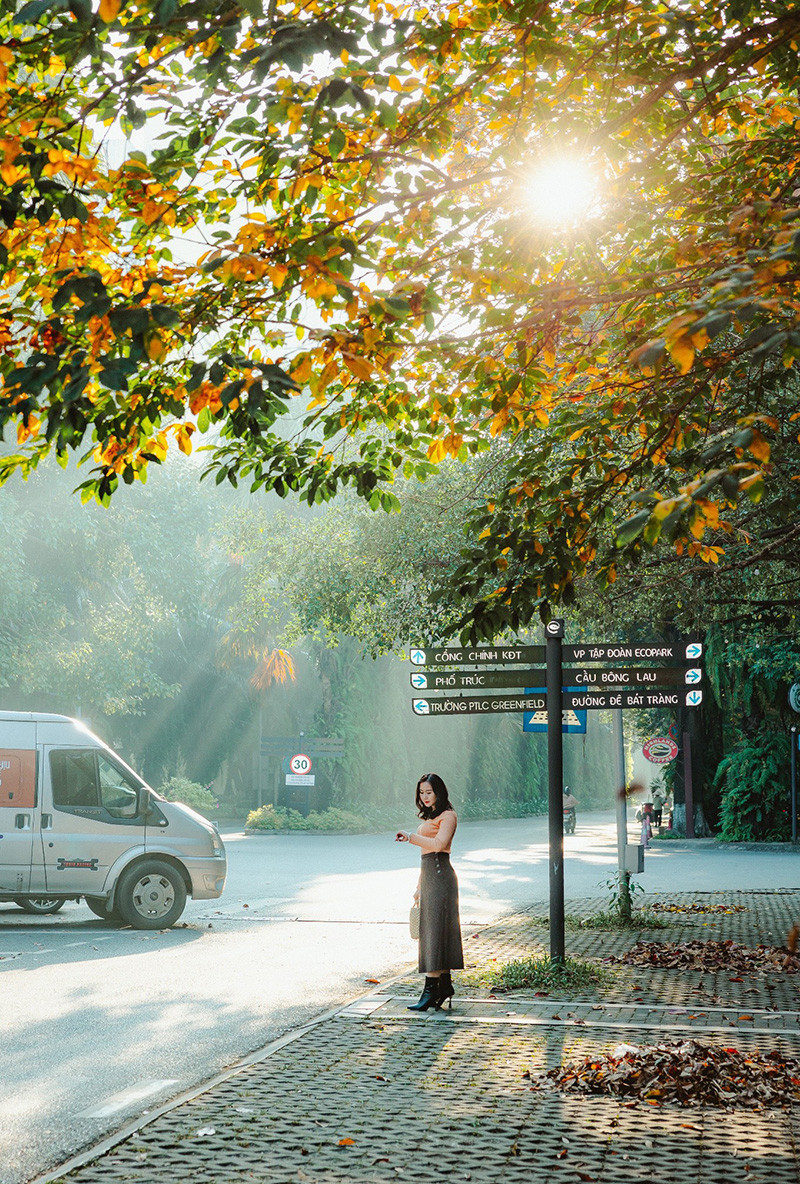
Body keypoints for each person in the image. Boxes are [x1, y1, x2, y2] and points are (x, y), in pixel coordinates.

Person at [395, 772, 464, 1011]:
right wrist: (418, 886)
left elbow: (438, 846)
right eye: (421, 793)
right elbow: (425, 857)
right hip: (430, 876)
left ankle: (430, 990)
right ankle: (444, 986)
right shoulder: (431, 817)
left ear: (439, 793)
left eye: (429, 792)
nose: (425, 797)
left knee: (434, 934)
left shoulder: (448, 816)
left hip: (441, 876)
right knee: (434, 932)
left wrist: (411, 837)